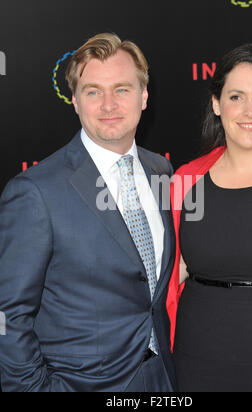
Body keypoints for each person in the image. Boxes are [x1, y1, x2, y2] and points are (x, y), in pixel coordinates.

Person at [0, 33, 177, 392]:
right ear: (75, 101)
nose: (108, 104)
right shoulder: (35, 191)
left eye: (122, 89)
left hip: (162, 378)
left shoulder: (162, 171)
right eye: (93, 91)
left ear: (144, 97)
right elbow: (9, 314)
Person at [167, 44, 252, 392]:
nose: (250, 111)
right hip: (196, 362)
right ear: (216, 103)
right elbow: (169, 273)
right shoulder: (185, 179)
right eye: (237, 96)